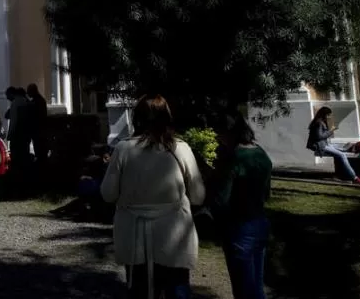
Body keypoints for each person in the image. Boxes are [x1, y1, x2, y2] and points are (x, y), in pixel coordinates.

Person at [100, 94, 206, 299]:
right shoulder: (180, 148)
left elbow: (107, 194)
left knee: (139, 289)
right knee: (177, 287)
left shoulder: (123, 149)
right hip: (174, 236)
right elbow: (199, 196)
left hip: (134, 234)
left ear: (136, 118)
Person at [212, 113, 273, 299]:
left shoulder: (234, 158)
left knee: (243, 288)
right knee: (256, 286)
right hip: (260, 221)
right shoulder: (260, 152)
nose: (217, 139)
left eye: (218, 134)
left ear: (227, 133)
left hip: (239, 226)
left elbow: (222, 199)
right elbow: (267, 192)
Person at [306, 107, 360, 185]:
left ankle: (339, 175)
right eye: (328, 115)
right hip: (320, 146)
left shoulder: (320, 122)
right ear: (324, 115)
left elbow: (321, 135)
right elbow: (319, 136)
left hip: (323, 144)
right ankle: (354, 178)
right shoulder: (319, 123)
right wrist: (331, 131)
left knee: (340, 151)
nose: (329, 117)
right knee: (342, 155)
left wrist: (330, 130)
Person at [27, 83, 49, 162]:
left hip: (38, 130)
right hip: (40, 129)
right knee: (40, 149)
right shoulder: (40, 100)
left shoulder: (36, 101)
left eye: (28, 91)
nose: (28, 93)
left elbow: (34, 116)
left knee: (39, 149)